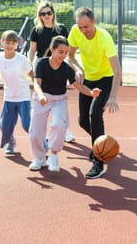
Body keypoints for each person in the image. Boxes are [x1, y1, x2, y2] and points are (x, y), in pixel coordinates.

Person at [28, 36, 101, 172]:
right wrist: (41, 95)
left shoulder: (66, 68)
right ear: (52, 50)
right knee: (35, 131)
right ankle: (39, 158)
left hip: (59, 100)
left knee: (59, 124)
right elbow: (37, 84)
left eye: (66, 52)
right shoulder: (41, 63)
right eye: (61, 52)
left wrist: (91, 93)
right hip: (41, 98)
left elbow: (78, 86)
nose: (64, 55)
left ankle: (54, 155)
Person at [66, 7, 122, 179]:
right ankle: (104, 144)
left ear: (94, 21)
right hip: (88, 79)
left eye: (86, 27)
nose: (83, 31)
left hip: (105, 78)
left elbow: (117, 70)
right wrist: (78, 69)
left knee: (95, 114)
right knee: (83, 121)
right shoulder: (75, 32)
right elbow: (70, 56)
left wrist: (113, 95)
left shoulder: (104, 38)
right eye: (80, 27)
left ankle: (98, 162)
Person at [27, 2, 76, 143]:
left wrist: (72, 66)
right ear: (40, 16)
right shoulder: (37, 31)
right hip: (43, 68)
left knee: (60, 97)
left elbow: (67, 50)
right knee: (42, 99)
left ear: (53, 13)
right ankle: (45, 132)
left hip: (59, 67)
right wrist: (29, 63)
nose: (46, 16)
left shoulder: (61, 29)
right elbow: (32, 50)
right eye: (43, 14)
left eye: (49, 13)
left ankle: (65, 129)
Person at [0, 30, 33, 154]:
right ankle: (11, 141)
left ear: (17, 45)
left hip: (23, 96)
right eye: (7, 42)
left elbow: (32, 73)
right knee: (3, 126)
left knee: (27, 125)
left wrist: (39, 89)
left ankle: (42, 143)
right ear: (2, 43)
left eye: (13, 43)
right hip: (9, 98)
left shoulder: (22, 59)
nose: (10, 45)